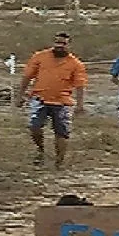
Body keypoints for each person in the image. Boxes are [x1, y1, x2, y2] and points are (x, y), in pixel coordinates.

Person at [16, 32, 88, 169]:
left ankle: (59, 161)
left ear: (69, 45)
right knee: (34, 127)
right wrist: (20, 96)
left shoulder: (76, 64)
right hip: (39, 99)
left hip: (62, 102)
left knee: (61, 132)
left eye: (63, 43)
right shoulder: (40, 57)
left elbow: (80, 85)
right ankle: (40, 150)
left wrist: (80, 105)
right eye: (57, 43)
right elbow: (27, 77)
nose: (59, 46)